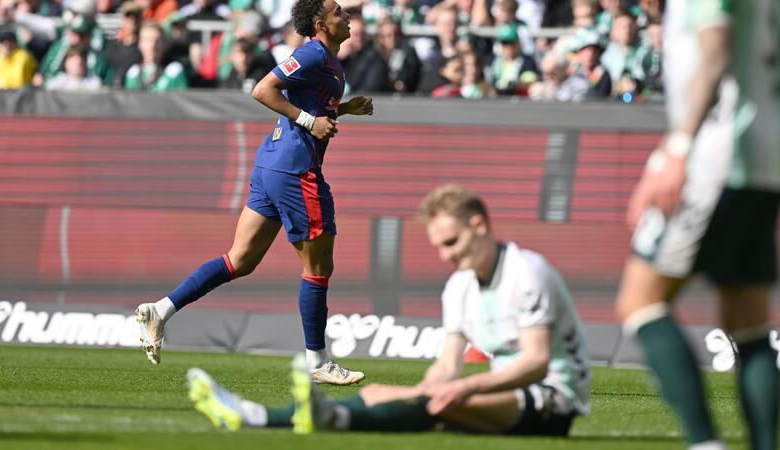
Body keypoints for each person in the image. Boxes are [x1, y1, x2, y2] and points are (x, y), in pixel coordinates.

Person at [186, 183, 591, 436]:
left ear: (480, 225)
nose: (445, 255)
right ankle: (263, 417)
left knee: (440, 402)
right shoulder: (459, 288)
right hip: (508, 395)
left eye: (451, 242)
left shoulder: (527, 272)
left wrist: (460, 387)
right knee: (384, 393)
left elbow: (537, 363)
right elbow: (448, 364)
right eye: (438, 246)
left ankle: (288, 419)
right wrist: (436, 384)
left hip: (553, 402)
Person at [136, 0, 374, 386]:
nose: (347, 16)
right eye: (338, 12)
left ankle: (159, 311)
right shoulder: (313, 53)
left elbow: (306, 104)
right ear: (320, 24)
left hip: (272, 165)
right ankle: (318, 360)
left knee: (239, 261)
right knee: (318, 268)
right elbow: (263, 89)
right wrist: (312, 121)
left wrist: (343, 110)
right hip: (295, 169)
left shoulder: (328, 61)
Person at [616, 0, 780, 449]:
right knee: (747, 319)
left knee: (639, 301)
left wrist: (677, 149)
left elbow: (716, 54)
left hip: (716, 159)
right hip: (765, 161)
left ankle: (705, 443)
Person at [123, 20, 188, 91]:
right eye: (148, 40)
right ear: (140, 44)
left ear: (164, 44)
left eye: (157, 41)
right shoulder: (133, 73)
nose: (152, 45)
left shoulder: (174, 72)